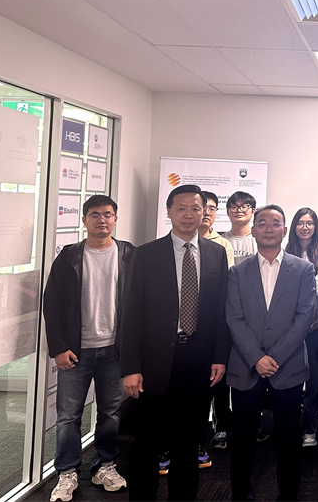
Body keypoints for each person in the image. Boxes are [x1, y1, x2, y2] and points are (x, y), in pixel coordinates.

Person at [121, 184, 230, 501]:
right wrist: (131, 367)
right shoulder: (146, 254)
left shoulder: (216, 254)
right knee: (146, 443)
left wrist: (219, 357)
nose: (188, 214)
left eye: (196, 208)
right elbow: (131, 313)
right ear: (168, 211)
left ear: (205, 212)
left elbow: (221, 311)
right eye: (181, 208)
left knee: (188, 442)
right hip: (153, 363)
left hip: (198, 361)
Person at [44, 195, 134, 502]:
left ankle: (104, 465)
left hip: (114, 351)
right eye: (95, 214)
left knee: (111, 413)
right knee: (68, 416)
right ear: (84, 220)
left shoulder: (129, 254)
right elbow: (52, 305)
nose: (102, 220)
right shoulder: (69, 256)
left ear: (115, 219)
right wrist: (58, 347)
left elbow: (141, 304)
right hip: (76, 352)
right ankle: (67, 472)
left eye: (108, 214)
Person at [225, 204, 316, 501]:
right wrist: (256, 358)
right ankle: (241, 495)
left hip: (287, 368)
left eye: (275, 223)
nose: (268, 228)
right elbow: (234, 318)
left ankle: (288, 495)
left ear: (284, 230)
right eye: (262, 222)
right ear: (253, 230)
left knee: (289, 439)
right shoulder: (237, 272)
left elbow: (304, 316)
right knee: (242, 440)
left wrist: (274, 357)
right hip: (246, 367)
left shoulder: (303, 269)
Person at [285, 207, 318, 448]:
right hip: (290, 327)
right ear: (293, 226)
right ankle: (290, 426)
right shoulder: (285, 252)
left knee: (314, 380)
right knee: (290, 378)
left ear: (315, 226)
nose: (305, 227)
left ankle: (310, 429)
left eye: (309, 223)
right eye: (300, 222)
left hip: (316, 327)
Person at [200, 191, 234, 455]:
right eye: (203, 207)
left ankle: (222, 427)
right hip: (185, 328)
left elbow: (226, 285)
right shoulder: (174, 244)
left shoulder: (222, 246)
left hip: (215, 322)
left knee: (219, 380)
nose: (206, 212)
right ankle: (198, 434)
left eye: (212, 208)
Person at [222, 191, 257, 264]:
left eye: (244, 207)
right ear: (228, 212)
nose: (239, 210)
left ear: (253, 211)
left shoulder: (259, 240)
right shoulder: (221, 241)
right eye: (234, 207)